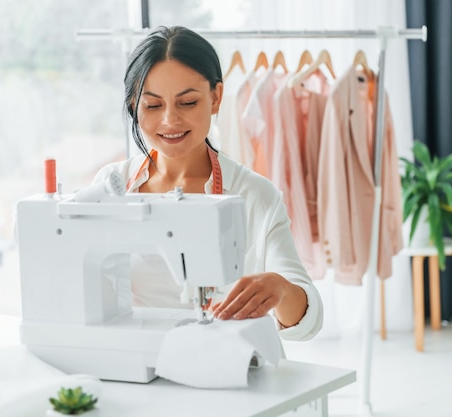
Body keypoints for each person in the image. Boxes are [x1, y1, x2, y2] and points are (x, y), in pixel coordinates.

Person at [92, 26, 322, 341]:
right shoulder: (110, 187)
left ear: (216, 97)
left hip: (227, 362)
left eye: (187, 103)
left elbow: (309, 321)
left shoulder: (255, 195)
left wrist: (280, 290)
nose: (170, 120)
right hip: (135, 358)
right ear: (133, 104)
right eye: (153, 105)